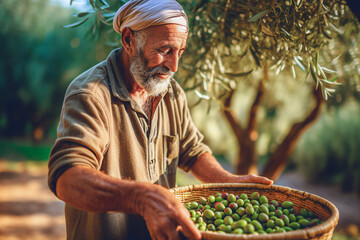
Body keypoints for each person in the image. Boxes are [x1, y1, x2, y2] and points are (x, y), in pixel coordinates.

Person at [47, 0, 273, 239]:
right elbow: (67, 178)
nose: (174, 65)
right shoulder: (92, 94)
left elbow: (192, 151)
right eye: (165, 50)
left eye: (180, 52)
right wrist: (140, 198)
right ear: (128, 41)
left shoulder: (171, 92)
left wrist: (228, 182)